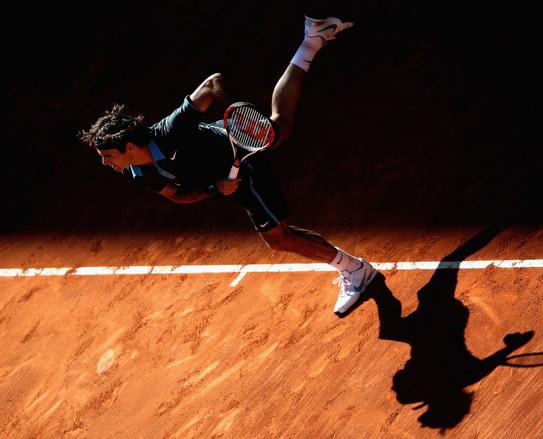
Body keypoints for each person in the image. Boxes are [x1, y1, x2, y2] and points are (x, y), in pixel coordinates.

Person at [79, 16, 376, 314]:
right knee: (280, 132)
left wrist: (239, 112)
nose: (105, 163)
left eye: (108, 155)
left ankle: (354, 270)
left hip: (242, 157)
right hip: (225, 173)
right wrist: (215, 187)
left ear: (129, 147)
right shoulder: (139, 171)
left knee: (280, 238)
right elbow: (177, 195)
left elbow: (212, 83)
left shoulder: (170, 130)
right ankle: (312, 40)